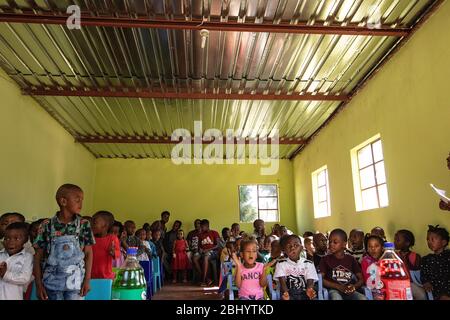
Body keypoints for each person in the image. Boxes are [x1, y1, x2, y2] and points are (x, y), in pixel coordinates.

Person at [33, 184, 95, 300]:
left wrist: (87, 280)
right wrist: (38, 284)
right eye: (77, 200)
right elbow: (38, 257)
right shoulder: (46, 225)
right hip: (52, 281)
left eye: (82, 200)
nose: (81, 204)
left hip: (76, 282)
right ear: (63, 201)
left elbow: (88, 253)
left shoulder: (83, 224)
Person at [319, 229, 367, 300]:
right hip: (334, 290)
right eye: (330, 242)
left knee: (362, 298)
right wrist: (338, 287)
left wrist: (354, 286)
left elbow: (361, 279)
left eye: (335, 242)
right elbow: (321, 279)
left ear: (344, 244)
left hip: (348, 290)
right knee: (336, 298)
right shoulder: (325, 259)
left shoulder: (351, 259)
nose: (331, 244)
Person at [274, 234, 317, 300]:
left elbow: (310, 282)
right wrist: (286, 294)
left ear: (301, 248)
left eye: (296, 245)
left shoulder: (309, 264)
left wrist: (309, 290)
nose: (292, 248)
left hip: (305, 295)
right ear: (284, 250)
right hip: (289, 295)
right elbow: (282, 284)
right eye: (289, 246)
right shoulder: (281, 264)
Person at [0, 222, 33, 300]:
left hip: (13, 297)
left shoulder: (27, 257)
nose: (10, 242)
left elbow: (25, 278)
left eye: (16, 238)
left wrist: (5, 274)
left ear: (25, 240)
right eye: (6, 238)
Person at [394, 229, 426, 300]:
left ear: (407, 243)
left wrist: (406, 261)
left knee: (422, 295)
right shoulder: (394, 255)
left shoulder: (415, 256)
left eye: (398, 240)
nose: (394, 242)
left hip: (410, 283)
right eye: (395, 239)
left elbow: (417, 274)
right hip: (396, 282)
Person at [421, 225, 450, 300]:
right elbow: (423, 274)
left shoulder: (448, 256)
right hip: (434, 290)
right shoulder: (426, 259)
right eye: (427, 239)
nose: (429, 242)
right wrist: (425, 282)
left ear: (443, 242)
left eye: (433, 239)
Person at [91, 211, 120, 279]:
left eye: (94, 223)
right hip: (90, 276)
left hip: (106, 276)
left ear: (105, 225)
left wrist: (113, 252)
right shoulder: (90, 238)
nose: (91, 225)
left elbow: (118, 253)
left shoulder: (112, 238)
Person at [361, 235, 384, 300]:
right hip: (373, 289)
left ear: (382, 248)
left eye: (376, 246)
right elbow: (368, 280)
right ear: (367, 249)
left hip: (386, 286)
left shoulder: (386, 259)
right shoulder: (365, 261)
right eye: (370, 247)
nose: (373, 249)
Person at [198, 219, 220, 286]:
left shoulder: (214, 233)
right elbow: (199, 246)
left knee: (206, 257)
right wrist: (200, 249)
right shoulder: (200, 235)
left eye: (202, 227)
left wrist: (208, 250)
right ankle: (208, 279)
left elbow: (218, 245)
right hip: (203, 252)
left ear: (207, 226)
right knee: (195, 258)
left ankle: (204, 280)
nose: (201, 228)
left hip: (213, 252)